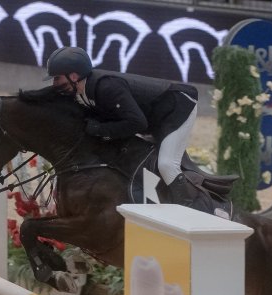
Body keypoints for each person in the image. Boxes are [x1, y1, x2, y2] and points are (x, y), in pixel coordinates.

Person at [44, 46, 200, 207]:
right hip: (152, 116)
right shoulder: (82, 91)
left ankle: (186, 208)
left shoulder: (106, 88)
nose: (55, 83)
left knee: (167, 164)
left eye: (57, 78)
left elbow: (137, 123)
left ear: (74, 76)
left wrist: (100, 130)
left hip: (177, 108)